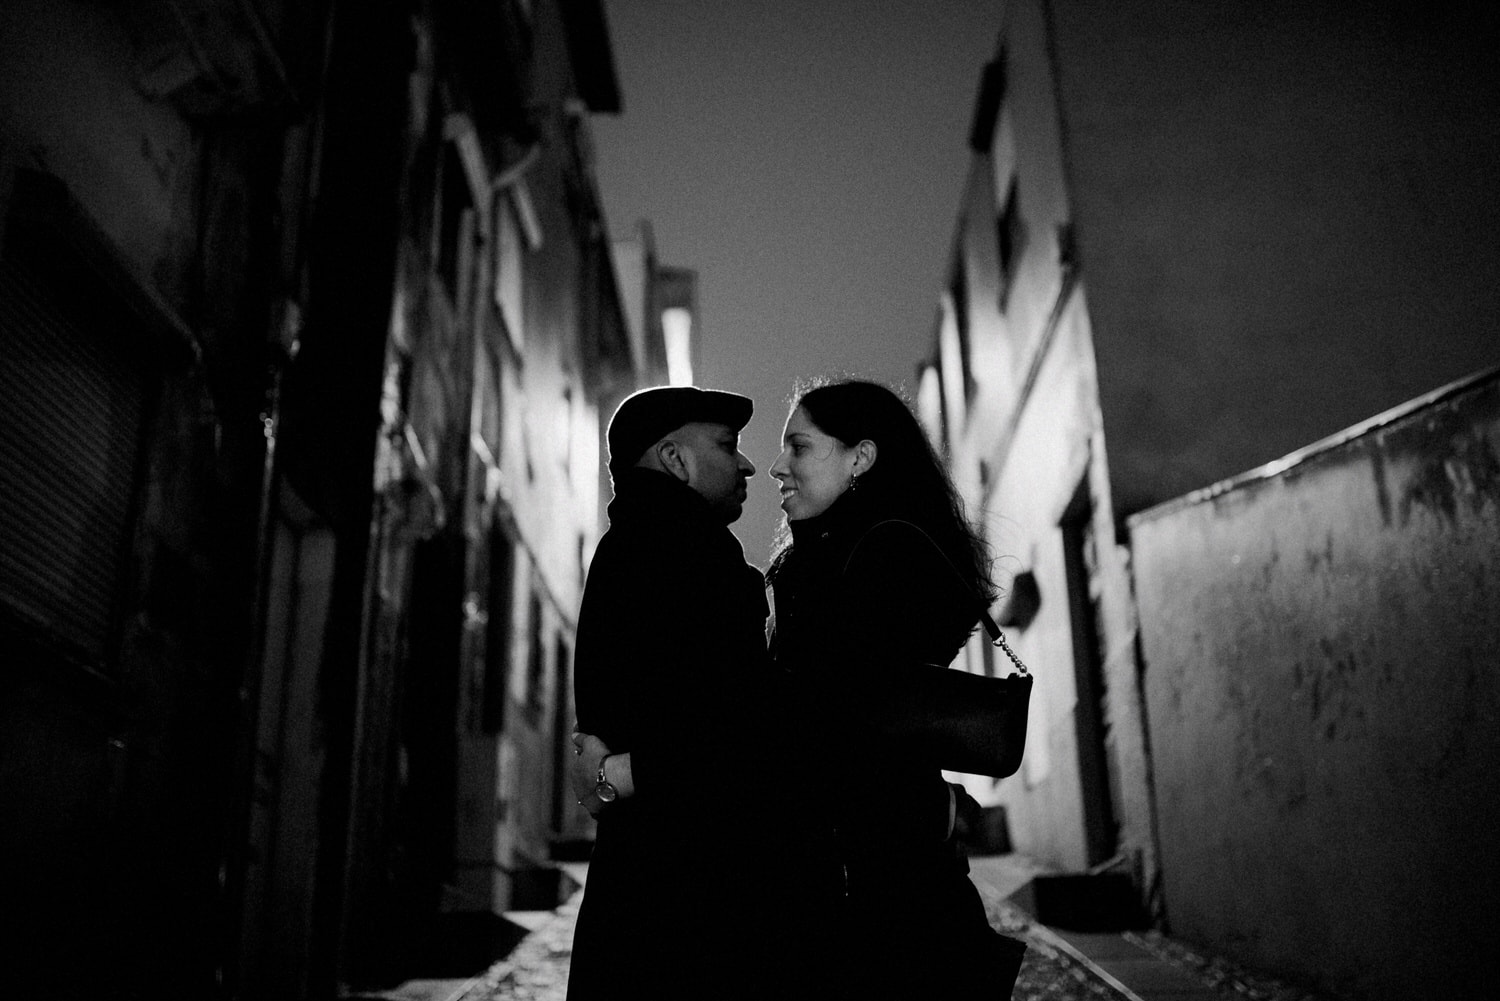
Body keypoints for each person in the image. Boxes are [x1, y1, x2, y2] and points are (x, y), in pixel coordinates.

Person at [574, 378, 1022, 999]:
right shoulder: (742, 557)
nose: (769, 465)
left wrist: (627, 772)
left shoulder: (881, 558)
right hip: (826, 887)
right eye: (733, 445)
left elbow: (798, 720)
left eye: (799, 448)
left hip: (870, 891)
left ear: (860, 458)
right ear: (674, 460)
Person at [565, 386, 831, 1001]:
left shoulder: (634, 547)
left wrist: (613, 776)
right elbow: (738, 728)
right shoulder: (686, 555)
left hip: (644, 898)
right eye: (725, 445)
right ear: (674, 459)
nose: (745, 464)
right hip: (694, 907)